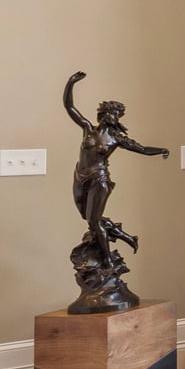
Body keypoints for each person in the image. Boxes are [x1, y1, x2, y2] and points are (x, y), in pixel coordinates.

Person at [64, 71, 169, 254]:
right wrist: (71, 83)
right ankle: (125, 236)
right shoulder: (88, 128)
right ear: (104, 114)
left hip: (99, 179)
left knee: (94, 221)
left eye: (118, 115)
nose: (115, 117)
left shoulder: (116, 139)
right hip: (80, 177)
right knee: (87, 217)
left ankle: (107, 261)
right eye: (113, 114)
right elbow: (70, 107)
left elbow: (142, 149)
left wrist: (161, 150)